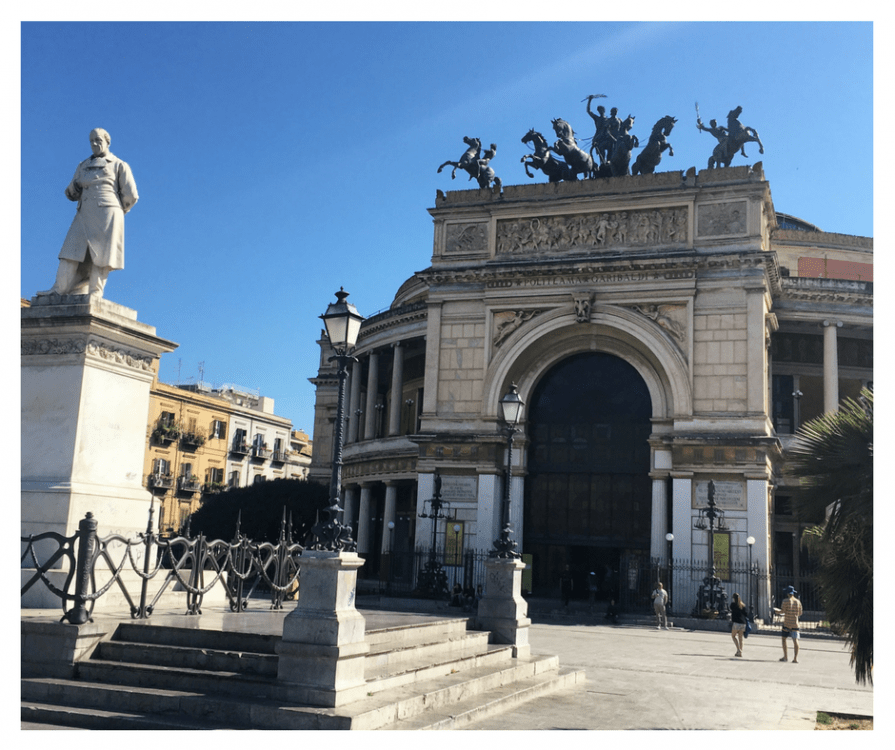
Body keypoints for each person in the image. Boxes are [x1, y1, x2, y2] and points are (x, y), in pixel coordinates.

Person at [39, 128, 139, 300]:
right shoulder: (83, 165)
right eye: (91, 140)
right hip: (84, 213)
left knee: (101, 255)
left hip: (108, 213)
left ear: (108, 142)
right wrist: (76, 186)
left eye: (98, 140)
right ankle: (59, 289)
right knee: (70, 252)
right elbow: (70, 193)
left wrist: (117, 212)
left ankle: (95, 292)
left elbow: (131, 195)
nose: (94, 144)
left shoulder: (118, 165)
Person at [774, 585, 803, 663]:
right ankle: (795, 658)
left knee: (784, 639)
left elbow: (783, 611)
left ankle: (785, 656)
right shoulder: (798, 601)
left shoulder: (785, 601)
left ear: (787, 593)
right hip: (795, 624)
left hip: (787, 623)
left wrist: (777, 611)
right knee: (795, 640)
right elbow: (800, 613)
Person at [729, 592, 748, 657]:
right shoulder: (742, 605)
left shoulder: (733, 605)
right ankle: (740, 652)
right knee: (740, 638)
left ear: (734, 598)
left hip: (736, 623)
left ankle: (738, 650)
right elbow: (746, 614)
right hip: (743, 623)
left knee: (733, 636)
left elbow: (731, 609)